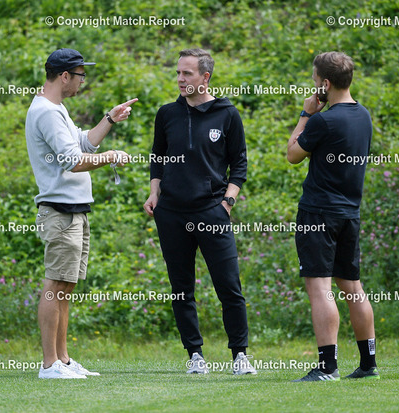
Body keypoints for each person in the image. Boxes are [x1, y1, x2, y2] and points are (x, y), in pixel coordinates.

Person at [26, 48, 137, 379]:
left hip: (73, 209)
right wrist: (111, 157)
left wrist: (109, 119)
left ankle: (63, 360)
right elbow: (73, 161)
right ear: (64, 76)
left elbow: (83, 144)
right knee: (55, 284)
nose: (82, 81)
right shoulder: (46, 112)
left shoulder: (57, 109)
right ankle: (50, 364)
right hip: (60, 211)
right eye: (80, 75)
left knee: (65, 285)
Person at [144, 48, 256, 375]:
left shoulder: (227, 114)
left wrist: (227, 202)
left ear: (205, 77)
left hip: (212, 212)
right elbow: (157, 157)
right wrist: (154, 193)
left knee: (229, 286)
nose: (180, 79)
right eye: (178, 73)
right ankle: (195, 355)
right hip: (171, 213)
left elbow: (240, 164)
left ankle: (240, 355)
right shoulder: (167, 114)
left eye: (187, 73)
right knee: (182, 288)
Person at [287, 51, 379, 381]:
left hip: (318, 213)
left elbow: (293, 154)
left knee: (319, 288)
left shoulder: (323, 121)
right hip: (349, 214)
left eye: (315, 80)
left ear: (325, 84)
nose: (313, 86)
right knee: (352, 287)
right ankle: (368, 364)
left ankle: (328, 367)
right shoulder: (363, 116)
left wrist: (305, 114)